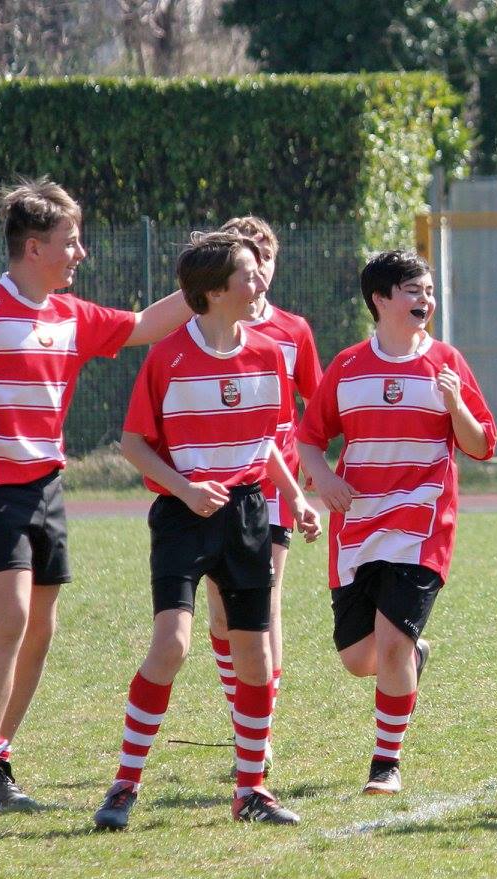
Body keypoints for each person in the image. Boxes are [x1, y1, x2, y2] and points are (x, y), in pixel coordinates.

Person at [0, 178, 193, 815]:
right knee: (9, 616)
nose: (80, 253)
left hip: (46, 486)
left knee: (39, 628)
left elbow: (143, 326)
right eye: (71, 242)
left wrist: (214, 274)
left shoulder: (71, 316)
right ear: (34, 248)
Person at [92, 232, 321, 830]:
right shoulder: (167, 355)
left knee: (254, 658)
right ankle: (124, 784)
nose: (259, 283)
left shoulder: (271, 352)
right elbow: (134, 443)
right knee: (171, 646)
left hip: (247, 515)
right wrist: (185, 489)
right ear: (214, 292)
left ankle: (251, 791)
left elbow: (271, 441)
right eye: (247, 275)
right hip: (182, 519)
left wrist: (295, 498)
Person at [297, 251, 496, 795]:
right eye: (413, 290)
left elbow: (482, 446)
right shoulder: (348, 367)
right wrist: (323, 482)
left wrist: (456, 407)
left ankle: (386, 764)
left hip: (422, 523)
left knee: (388, 648)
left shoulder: (447, 363)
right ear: (380, 299)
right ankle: (414, 654)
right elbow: (309, 438)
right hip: (356, 526)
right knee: (358, 659)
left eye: (429, 290)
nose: (425, 300)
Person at [199, 217, 324, 768]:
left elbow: (315, 408)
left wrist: (307, 476)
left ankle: (260, 735)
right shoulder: (208, 328)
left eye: (266, 261)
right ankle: (244, 719)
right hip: (214, 481)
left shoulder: (292, 331)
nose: (261, 275)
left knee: (263, 603)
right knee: (221, 615)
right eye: (250, 263)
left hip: (273, 486)